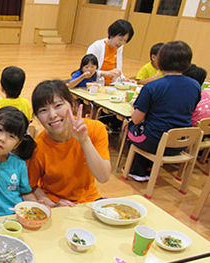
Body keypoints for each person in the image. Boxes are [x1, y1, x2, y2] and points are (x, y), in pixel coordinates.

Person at [28, 80, 111, 207]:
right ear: (37, 117)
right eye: (43, 110)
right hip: (56, 203)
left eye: (58, 105)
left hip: (89, 200)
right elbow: (31, 186)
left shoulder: (95, 129)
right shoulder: (37, 146)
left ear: (72, 105)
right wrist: (52, 205)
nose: (52, 115)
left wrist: (84, 141)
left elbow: (103, 177)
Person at [126, 41, 200, 181]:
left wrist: (134, 107)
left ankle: (137, 170)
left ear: (161, 60)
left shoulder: (153, 86)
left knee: (130, 126)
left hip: (154, 141)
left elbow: (136, 119)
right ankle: (148, 166)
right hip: (181, 142)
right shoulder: (195, 85)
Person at [87, 19, 134, 85]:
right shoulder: (97, 46)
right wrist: (106, 73)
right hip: (95, 84)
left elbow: (118, 70)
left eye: (125, 41)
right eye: (120, 39)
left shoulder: (119, 48)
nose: (121, 43)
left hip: (112, 85)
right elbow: (87, 71)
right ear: (112, 34)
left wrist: (124, 79)